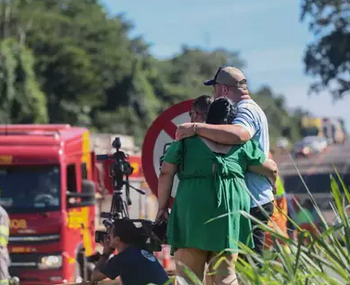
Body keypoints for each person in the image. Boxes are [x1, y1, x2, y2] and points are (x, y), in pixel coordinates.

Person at [157, 98, 278, 285]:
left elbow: (166, 173)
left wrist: (162, 208)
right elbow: (270, 168)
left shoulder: (187, 141)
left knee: (187, 278)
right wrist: (274, 182)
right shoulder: (242, 144)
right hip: (229, 214)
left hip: (192, 212)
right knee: (226, 275)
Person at [176, 66, 275, 253]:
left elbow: (239, 135)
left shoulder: (245, 110)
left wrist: (196, 128)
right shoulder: (251, 108)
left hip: (251, 201)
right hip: (253, 198)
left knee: (249, 268)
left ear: (223, 89)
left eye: (215, 90)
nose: (214, 95)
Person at [91, 219, 170, 285]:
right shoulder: (140, 250)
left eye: (110, 234)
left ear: (117, 239)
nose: (107, 237)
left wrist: (106, 254)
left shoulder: (122, 259)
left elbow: (95, 277)